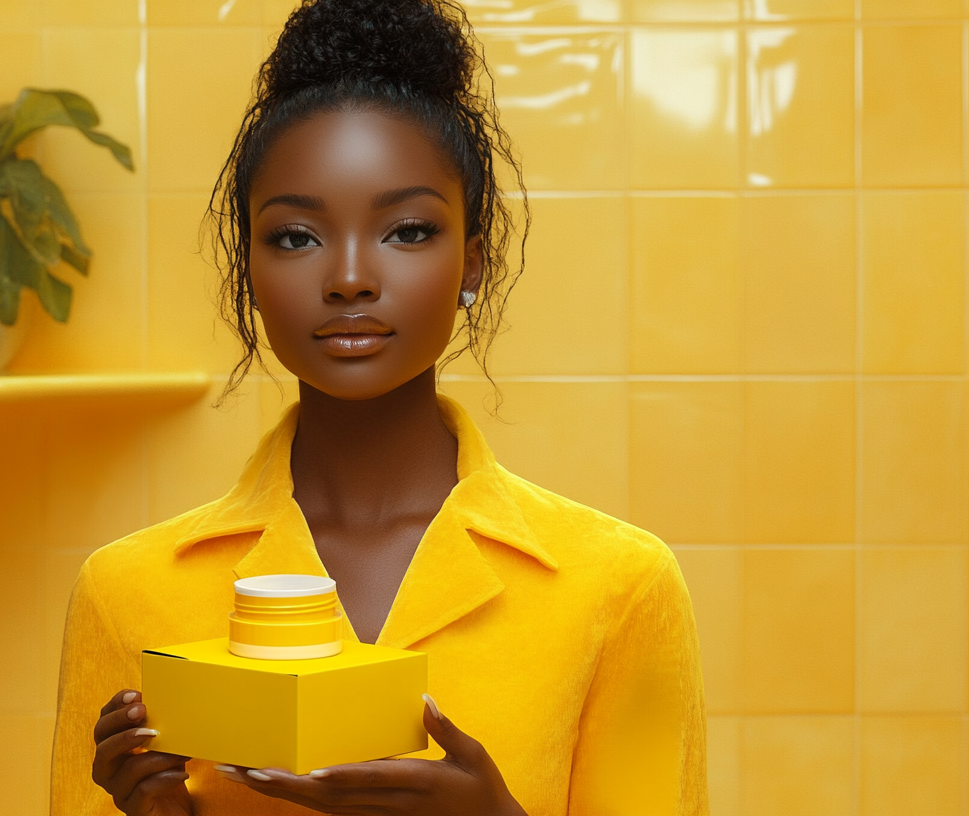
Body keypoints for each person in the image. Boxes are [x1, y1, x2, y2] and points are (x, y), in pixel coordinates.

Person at [49, 1, 708, 813]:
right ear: (248, 271)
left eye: (405, 230)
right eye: (296, 237)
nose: (350, 276)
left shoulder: (619, 589)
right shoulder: (125, 593)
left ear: (474, 263)